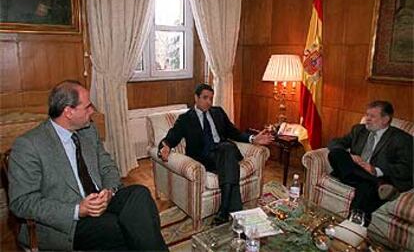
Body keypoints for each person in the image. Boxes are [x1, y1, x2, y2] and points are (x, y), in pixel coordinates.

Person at [8, 80, 168, 251]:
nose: (92, 111)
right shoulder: (29, 145)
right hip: (65, 221)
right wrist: (78, 209)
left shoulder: (88, 131)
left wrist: (109, 191)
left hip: (101, 201)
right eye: (87, 107)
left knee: (139, 194)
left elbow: (108, 166)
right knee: (124, 228)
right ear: (68, 112)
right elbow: (22, 202)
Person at [158, 83, 273, 224]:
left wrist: (253, 138)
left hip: (224, 153)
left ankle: (224, 211)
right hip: (204, 158)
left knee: (227, 150)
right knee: (228, 154)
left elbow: (233, 132)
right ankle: (233, 212)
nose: (208, 102)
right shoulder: (186, 119)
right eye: (205, 98)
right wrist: (165, 146)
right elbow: (171, 137)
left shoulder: (217, 112)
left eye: (211, 98)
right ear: (196, 97)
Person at [328, 100, 413, 225]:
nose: (367, 119)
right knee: (335, 154)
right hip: (360, 172)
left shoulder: (401, 139)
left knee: (365, 189)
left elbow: (406, 168)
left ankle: (351, 231)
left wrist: (375, 170)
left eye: (372, 116)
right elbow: (334, 143)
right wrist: (351, 156)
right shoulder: (359, 130)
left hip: (382, 176)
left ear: (385, 119)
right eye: (367, 115)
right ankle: (377, 184)